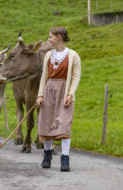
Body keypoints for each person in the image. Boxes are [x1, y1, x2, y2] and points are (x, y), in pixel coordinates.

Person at [36, 27, 81, 172]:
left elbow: (75, 77)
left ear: (59, 37)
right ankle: (47, 155)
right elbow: (44, 77)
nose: (48, 39)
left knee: (64, 125)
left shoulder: (73, 55)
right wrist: (40, 95)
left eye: (50, 37)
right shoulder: (48, 55)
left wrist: (70, 94)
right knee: (47, 122)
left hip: (64, 92)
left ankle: (65, 158)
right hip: (49, 90)